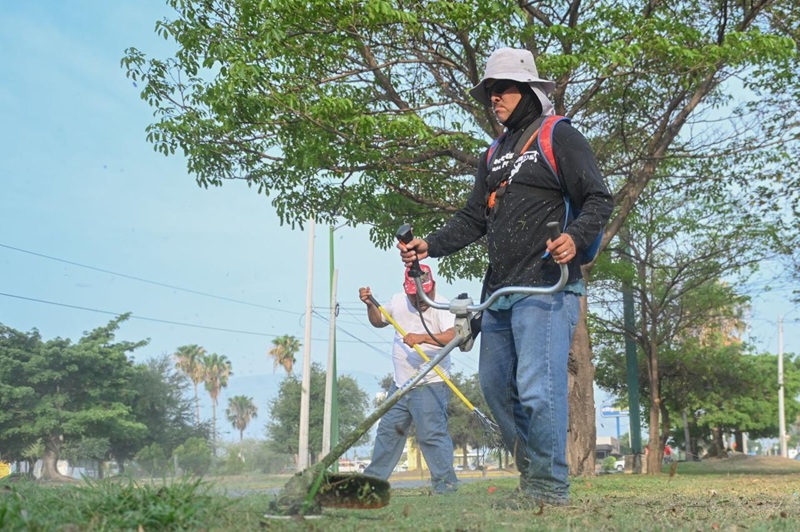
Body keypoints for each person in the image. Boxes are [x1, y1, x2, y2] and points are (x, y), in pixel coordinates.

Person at [398, 47, 613, 507]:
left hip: (546, 286)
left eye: (502, 89)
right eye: (490, 92)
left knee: (538, 389)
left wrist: (574, 238)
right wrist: (429, 245)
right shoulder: (493, 154)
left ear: (529, 91)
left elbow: (599, 198)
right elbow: (473, 218)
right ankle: (534, 478)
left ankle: (549, 489)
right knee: (497, 389)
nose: (493, 98)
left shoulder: (559, 135)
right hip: (499, 293)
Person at [358, 264, 460, 494]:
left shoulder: (442, 306)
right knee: (387, 433)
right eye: (415, 295)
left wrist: (422, 338)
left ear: (433, 287)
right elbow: (378, 320)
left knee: (431, 435)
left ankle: (446, 486)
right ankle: (371, 485)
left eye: (425, 292)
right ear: (407, 291)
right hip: (400, 385)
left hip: (430, 383)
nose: (421, 299)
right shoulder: (397, 301)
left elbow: (453, 336)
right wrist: (370, 305)